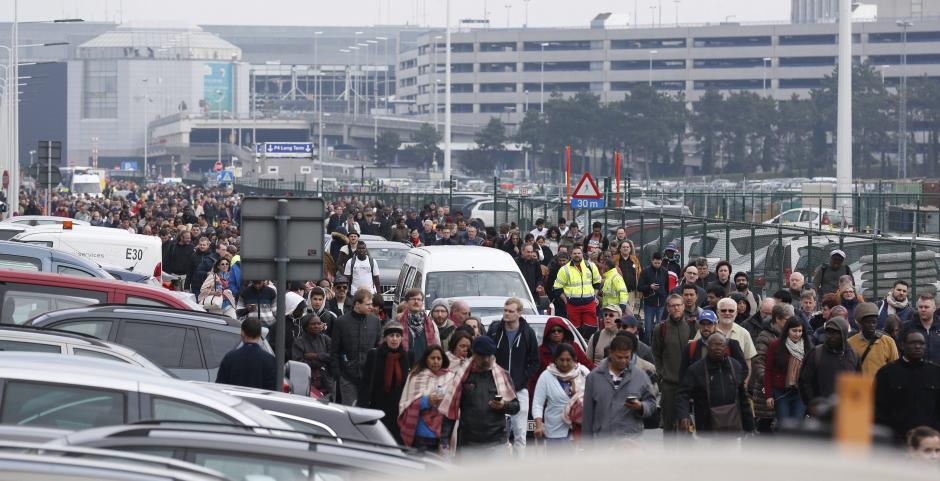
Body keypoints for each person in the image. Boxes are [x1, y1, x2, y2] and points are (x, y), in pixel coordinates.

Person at [438, 336, 520, 452]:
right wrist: (444, 441)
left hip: (497, 442)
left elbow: (516, 406)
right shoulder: (462, 376)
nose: (486, 359)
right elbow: (450, 410)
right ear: (474, 354)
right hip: (469, 444)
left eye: (488, 355)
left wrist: (504, 405)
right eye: (482, 356)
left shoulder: (503, 375)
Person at [486, 297, 539, 455]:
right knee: (499, 432)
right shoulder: (496, 331)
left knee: (520, 433)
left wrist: (522, 380)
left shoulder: (527, 333)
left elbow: (535, 361)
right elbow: (487, 356)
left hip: (520, 389)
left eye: (511, 311)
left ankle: (519, 464)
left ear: (519, 313)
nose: (506, 314)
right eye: (505, 310)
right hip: (497, 388)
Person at [677, 333, 755, 435]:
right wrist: (684, 415)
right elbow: (683, 394)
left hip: (733, 425)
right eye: (714, 345)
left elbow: (743, 398)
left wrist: (750, 427)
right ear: (708, 347)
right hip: (706, 427)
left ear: (725, 347)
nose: (718, 348)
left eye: (721, 345)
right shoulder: (696, 369)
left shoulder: (735, 366)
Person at [582, 334, 656, 441]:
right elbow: (587, 414)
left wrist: (641, 407)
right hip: (603, 442)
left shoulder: (640, 376)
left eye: (627, 357)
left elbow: (652, 403)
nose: (623, 361)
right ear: (610, 353)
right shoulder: (594, 377)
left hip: (631, 443)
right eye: (619, 357)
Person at [875, 330, 940, 444]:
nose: (918, 346)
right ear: (902, 346)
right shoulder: (887, 373)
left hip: (929, 440)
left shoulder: (935, 372)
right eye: (913, 343)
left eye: (921, 343)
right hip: (897, 440)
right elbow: (878, 408)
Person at [360, 322, 412, 443]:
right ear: (385, 337)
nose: (394, 339)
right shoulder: (374, 355)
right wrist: (362, 407)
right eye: (391, 335)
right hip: (378, 406)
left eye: (398, 336)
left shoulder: (408, 356)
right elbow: (365, 383)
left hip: (399, 408)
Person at [651, 294, 696, 434]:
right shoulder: (660, 329)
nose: (676, 308)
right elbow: (656, 354)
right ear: (668, 308)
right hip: (669, 384)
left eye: (679, 305)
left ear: (683, 307)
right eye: (673, 305)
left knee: (687, 427)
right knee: (669, 426)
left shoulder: (693, 326)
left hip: (689, 385)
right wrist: (661, 374)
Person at [330, 288, 383, 406]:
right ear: (357, 304)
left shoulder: (375, 322)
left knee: (366, 411)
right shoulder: (341, 322)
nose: (371, 307)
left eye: (371, 304)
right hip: (347, 377)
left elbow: (378, 347)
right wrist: (337, 374)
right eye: (368, 304)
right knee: (350, 411)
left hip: (368, 377)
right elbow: (334, 350)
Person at [532, 342, 591, 445]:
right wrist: (538, 425)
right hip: (555, 432)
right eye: (561, 360)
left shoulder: (583, 372)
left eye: (568, 360)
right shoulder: (546, 376)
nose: (565, 364)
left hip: (580, 430)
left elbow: (593, 397)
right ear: (555, 360)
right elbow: (537, 403)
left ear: (575, 359)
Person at [398, 345, 454, 451]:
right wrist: (426, 401)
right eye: (432, 358)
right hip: (421, 433)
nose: (436, 361)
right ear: (426, 359)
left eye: (439, 358)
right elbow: (406, 404)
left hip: (442, 434)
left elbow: (455, 403)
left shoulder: (450, 377)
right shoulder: (416, 376)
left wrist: (445, 401)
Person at [799, 316, 859, 410]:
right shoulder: (816, 353)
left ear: (843, 334)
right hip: (822, 410)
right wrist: (812, 404)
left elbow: (858, 382)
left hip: (847, 410)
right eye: (828, 332)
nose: (831, 336)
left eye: (835, 333)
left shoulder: (853, 355)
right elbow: (804, 382)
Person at [679, 310, 749, 384]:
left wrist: (731, 385)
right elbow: (683, 375)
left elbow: (743, 369)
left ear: (716, 325)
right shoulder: (691, 348)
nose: (706, 327)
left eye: (709, 324)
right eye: (703, 324)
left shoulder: (731, 345)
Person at [751, 303, 791, 432]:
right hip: (766, 391)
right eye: (787, 319)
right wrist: (770, 382)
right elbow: (759, 362)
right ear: (777, 319)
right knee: (766, 429)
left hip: (785, 389)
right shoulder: (765, 336)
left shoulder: (790, 335)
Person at [764, 317, 811, 423]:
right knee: (784, 424)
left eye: (800, 331)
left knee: (797, 423)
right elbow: (768, 370)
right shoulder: (776, 345)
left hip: (800, 393)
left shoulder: (807, 346)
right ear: (787, 330)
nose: (797, 334)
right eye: (794, 331)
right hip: (781, 391)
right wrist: (769, 395)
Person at [552, 246, 602, 339]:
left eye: (579, 253)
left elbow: (597, 283)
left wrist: (594, 297)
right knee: (575, 330)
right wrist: (566, 301)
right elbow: (557, 287)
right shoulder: (564, 269)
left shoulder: (591, 266)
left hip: (589, 303)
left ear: (582, 254)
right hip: (573, 305)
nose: (577, 255)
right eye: (574, 253)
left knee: (591, 328)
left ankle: (588, 345)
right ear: (571, 255)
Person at [215, 317, 277, 391]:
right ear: (260, 334)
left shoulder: (230, 358)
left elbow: (220, 386)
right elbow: (272, 389)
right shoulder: (270, 360)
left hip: (233, 397)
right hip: (258, 398)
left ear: (242, 333)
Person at [848, 302, 899, 377]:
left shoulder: (888, 341)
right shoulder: (850, 343)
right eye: (868, 322)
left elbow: (895, 368)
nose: (871, 325)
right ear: (860, 324)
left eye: (874, 322)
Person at [291, 313, 333, 398]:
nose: (317, 326)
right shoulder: (299, 342)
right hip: (307, 381)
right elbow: (299, 363)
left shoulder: (326, 339)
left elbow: (333, 356)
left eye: (319, 323)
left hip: (326, 381)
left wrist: (316, 356)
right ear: (306, 327)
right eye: (313, 324)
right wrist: (321, 363)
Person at [398, 289, 441, 359]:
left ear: (422, 303)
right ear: (406, 303)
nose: (416, 301)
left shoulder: (431, 324)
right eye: (413, 299)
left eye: (419, 299)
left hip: (426, 363)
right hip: (406, 363)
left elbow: (437, 348)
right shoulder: (398, 323)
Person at [638, 252, 669, 343]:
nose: (657, 265)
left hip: (661, 303)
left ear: (661, 261)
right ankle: (647, 346)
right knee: (648, 328)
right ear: (652, 261)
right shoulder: (645, 271)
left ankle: (658, 346)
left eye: (659, 263)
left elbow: (667, 287)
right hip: (649, 303)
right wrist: (650, 287)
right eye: (655, 263)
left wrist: (665, 296)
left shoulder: (664, 271)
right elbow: (639, 287)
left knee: (660, 329)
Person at [901, 295, 940, 364]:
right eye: (920, 307)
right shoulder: (907, 327)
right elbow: (900, 350)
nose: (923, 310)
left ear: (934, 308)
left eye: (926, 307)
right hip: (913, 369)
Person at [612, 240, 641, 316]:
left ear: (630, 249)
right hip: (618, 292)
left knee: (629, 314)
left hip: (631, 292)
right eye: (624, 247)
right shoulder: (615, 259)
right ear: (620, 249)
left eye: (627, 247)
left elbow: (639, 274)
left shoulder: (635, 260)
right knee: (619, 313)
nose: (625, 248)